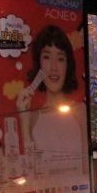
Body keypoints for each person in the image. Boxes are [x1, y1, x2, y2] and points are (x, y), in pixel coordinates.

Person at [16, 25, 88, 182]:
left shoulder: (80, 111)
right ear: (39, 62)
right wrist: (23, 116)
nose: (54, 67)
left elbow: (86, 169)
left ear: (68, 65)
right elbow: (29, 173)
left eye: (60, 59)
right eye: (47, 57)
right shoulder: (32, 117)